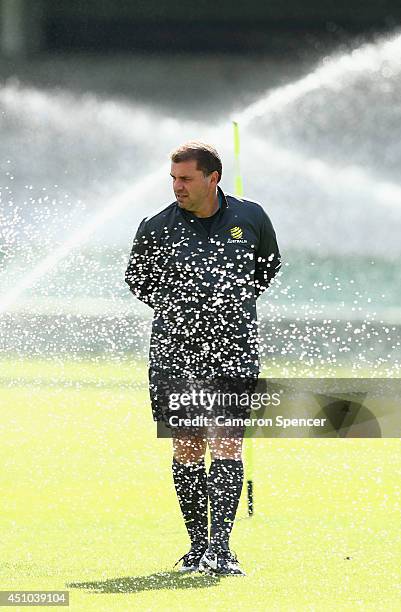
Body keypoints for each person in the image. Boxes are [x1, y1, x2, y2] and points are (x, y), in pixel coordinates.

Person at [125, 142, 281, 576]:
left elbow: (267, 267)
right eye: (174, 179)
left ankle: (222, 549)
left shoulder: (251, 217)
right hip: (176, 354)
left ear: (213, 179)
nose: (178, 187)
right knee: (189, 447)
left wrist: (229, 305)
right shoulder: (156, 227)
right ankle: (196, 547)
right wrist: (185, 312)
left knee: (226, 442)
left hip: (234, 350)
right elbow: (139, 282)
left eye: (186, 178)